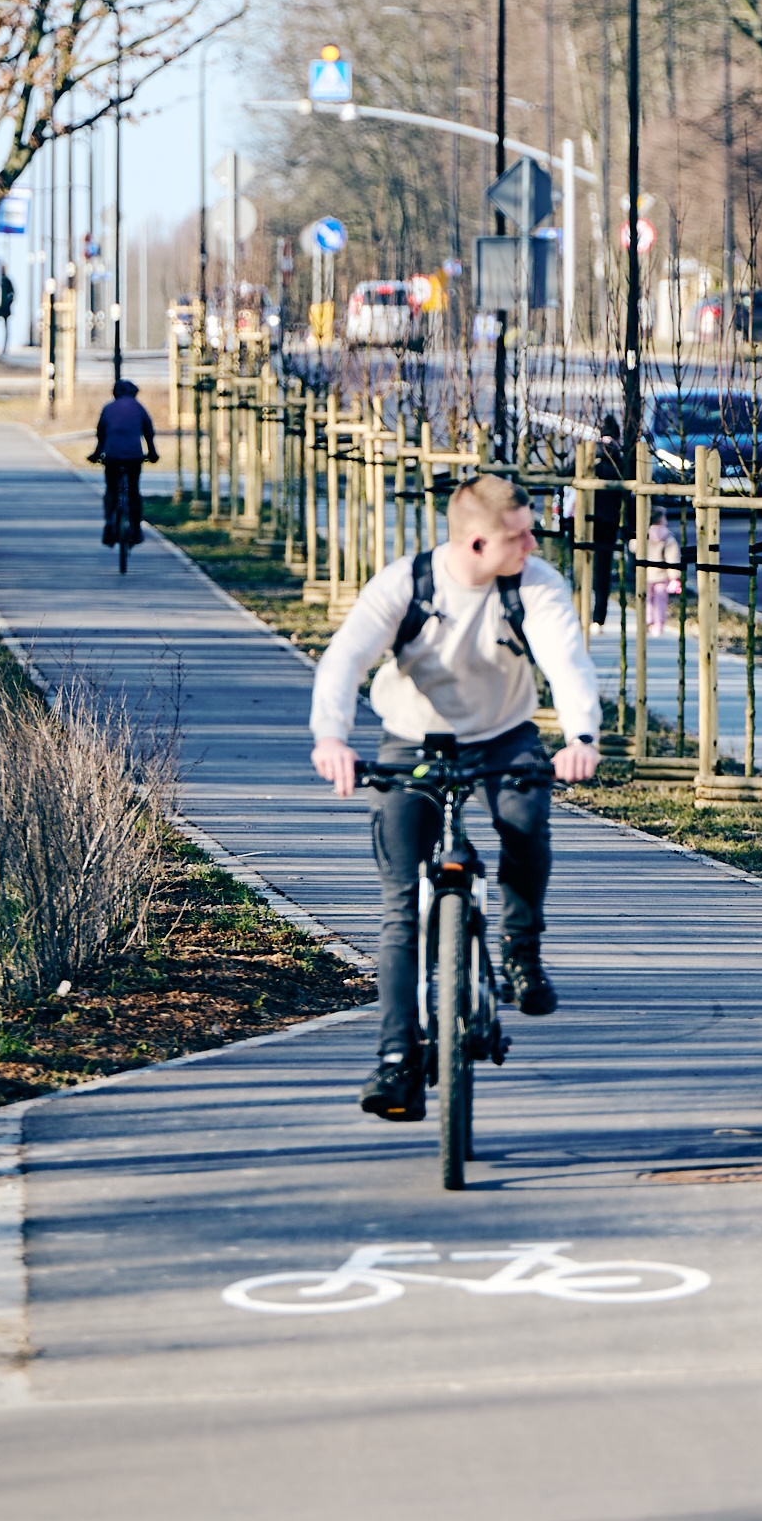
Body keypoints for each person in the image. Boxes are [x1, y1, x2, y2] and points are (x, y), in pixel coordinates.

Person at [309, 473, 601, 1121]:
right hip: (411, 741)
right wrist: (330, 736)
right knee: (399, 909)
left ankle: (521, 951)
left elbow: (565, 660)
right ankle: (394, 1061)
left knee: (525, 821)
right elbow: (344, 659)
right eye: (517, 535)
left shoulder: (533, 583)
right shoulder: (405, 584)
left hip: (504, 738)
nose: (532, 543)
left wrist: (580, 735)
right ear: (475, 543)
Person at [91, 378, 157, 547]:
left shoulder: (108, 408)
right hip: (134, 456)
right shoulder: (139, 408)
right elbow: (148, 432)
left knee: (111, 489)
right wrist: (152, 452)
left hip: (112, 456)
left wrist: (97, 454)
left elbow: (101, 433)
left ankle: (108, 524)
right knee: (134, 491)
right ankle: (136, 528)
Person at [589, 409, 629, 629]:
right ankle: (598, 618)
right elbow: (627, 494)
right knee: (602, 571)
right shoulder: (620, 459)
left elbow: (566, 472)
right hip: (609, 521)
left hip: (585, 519)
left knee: (583, 567)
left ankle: (580, 610)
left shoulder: (589, 454)